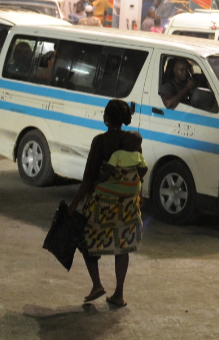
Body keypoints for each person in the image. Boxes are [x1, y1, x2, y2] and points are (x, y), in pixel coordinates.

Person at [68, 99, 147, 308]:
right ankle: (119, 293)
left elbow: (89, 178)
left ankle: (97, 284)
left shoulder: (100, 142)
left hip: (101, 205)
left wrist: (75, 203)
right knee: (123, 246)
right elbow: (140, 169)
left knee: (85, 241)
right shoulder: (134, 140)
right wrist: (140, 195)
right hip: (128, 204)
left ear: (106, 118)